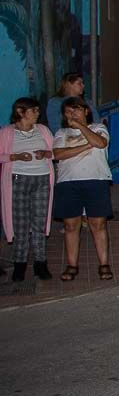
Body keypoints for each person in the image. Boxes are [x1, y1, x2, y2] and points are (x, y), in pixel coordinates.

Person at [52, 97, 113, 281]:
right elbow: (59, 154)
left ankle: (104, 264)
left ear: (86, 111)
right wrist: (87, 145)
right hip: (68, 182)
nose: (73, 114)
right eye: (69, 111)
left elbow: (101, 143)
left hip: (96, 180)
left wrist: (81, 127)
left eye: (76, 110)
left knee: (98, 224)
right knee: (71, 225)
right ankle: (72, 265)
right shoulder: (61, 133)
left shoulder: (98, 128)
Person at [0, 97, 55, 282]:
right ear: (21, 112)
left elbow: (55, 151)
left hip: (41, 179)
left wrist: (46, 153)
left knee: (39, 224)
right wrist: (14, 156)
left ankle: (41, 264)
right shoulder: (7, 132)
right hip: (18, 180)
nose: (37, 113)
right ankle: (20, 265)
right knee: (20, 225)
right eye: (34, 110)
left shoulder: (43, 130)